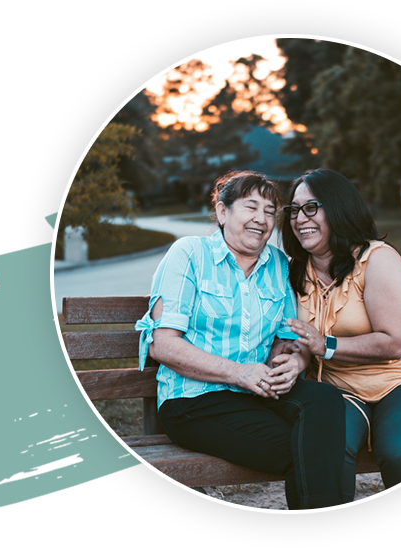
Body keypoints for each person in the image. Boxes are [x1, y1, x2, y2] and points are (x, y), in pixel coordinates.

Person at [134, 170, 348, 510]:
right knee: (311, 449)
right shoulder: (189, 254)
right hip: (194, 402)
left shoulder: (278, 264)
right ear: (222, 212)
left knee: (324, 399)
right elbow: (163, 344)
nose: (261, 219)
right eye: (250, 207)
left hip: (256, 393)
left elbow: (288, 338)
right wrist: (239, 373)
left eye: (269, 211)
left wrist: (293, 362)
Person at [280, 168, 401, 499]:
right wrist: (295, 358)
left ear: (339, 208)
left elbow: (393, 341)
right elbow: (295, 338)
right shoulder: (293, 270)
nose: (299, 218)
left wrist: (324, 345)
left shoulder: (377, 260)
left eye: (311, 207)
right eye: (294, 210)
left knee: (399, 452)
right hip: (337, 391)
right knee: (327, 452)